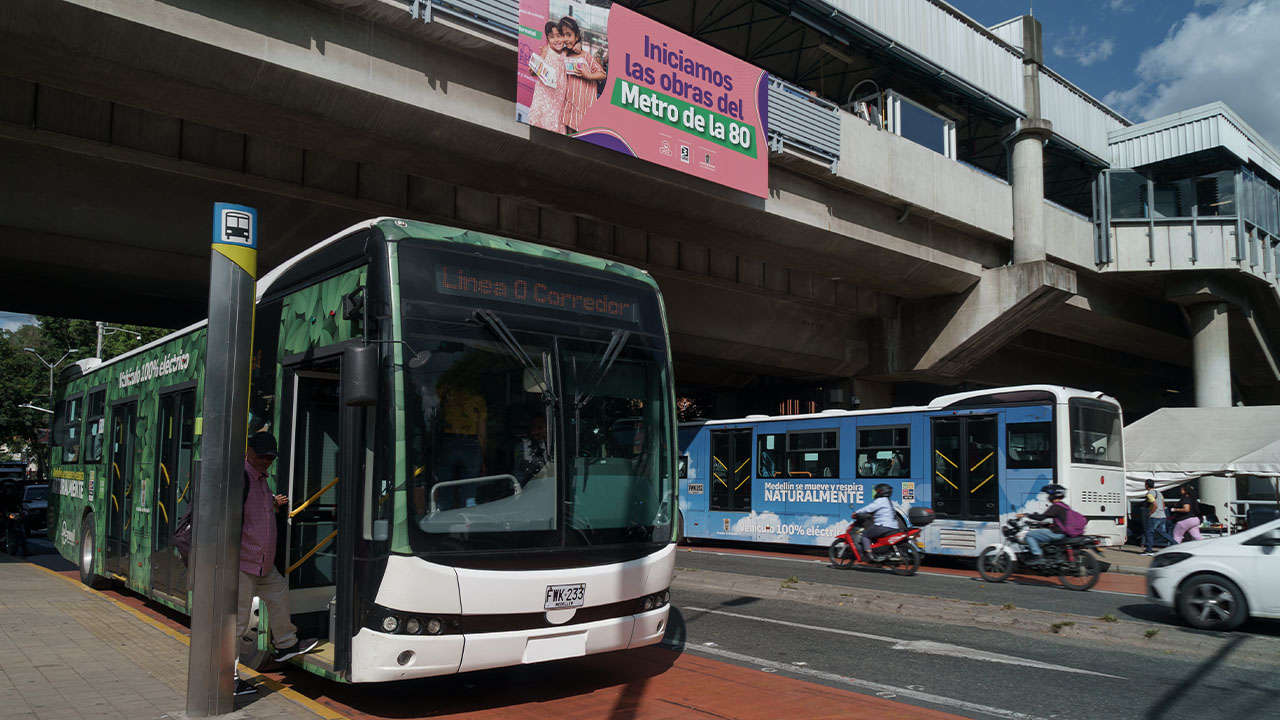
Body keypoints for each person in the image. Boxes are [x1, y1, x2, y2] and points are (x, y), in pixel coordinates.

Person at [235, 432, 316, 697]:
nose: (265, 461)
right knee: (235, 623)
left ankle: (286, 644)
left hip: (262, 563)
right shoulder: (242, 477)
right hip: (243, 563)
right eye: (261, 456)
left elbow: (256, 510)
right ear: (249, 451)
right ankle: (229, 678)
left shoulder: (261, 481)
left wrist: (273, 504)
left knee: (279, 590)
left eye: (270, 457)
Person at [558, 17, 606, 133]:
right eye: (563, 35)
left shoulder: (586, 56)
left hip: (584, 107)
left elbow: (602, 74)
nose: (566, 39)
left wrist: (588, 76)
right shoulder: (564, 55)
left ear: (577, 36)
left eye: (569, 35)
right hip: (569, 106)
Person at [1017, 483, 1075, 566]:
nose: (1048, 497)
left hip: (1057, 533)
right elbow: (1061, 520)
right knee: (1042, 533)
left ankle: (1038, 556)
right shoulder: (1065, 506)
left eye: (1049, 494)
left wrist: (1025, 515)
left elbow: (1041, 517)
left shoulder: (1055, 507)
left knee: (1029, 535)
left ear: (1053, 495)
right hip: (1063, 532)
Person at [526, 21, 567, 133]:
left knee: (555, 124)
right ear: (548, 39)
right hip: (544, 95)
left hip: (558, 96)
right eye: (552, 37)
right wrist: (535, 67)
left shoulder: (565, 55)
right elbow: (533, 71)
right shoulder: (546, 50)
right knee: (541, 121)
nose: (556, 40)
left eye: (559, 36)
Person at [853, 483, 898, 560]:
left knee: (865, 535)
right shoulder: (890, 501)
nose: (876, 493)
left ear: (881, 492)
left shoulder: (880, 500)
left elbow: (869, 508)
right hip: (894, 527)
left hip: (883, 526)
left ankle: (869, 554)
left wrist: (856, 512)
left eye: (877, 491)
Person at [1141, 479, 1174, 555]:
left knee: (1149, 532)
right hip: (1162, 515)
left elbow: (1155, 504)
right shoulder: (1159, 493)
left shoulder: (1149, 494)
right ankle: (1175, 543)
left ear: (1146, 485)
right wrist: (1162, 512)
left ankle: (1149, 550)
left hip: (1154, 516)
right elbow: (1163, 503)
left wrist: (1150, 513)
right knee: (1162, 532)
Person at [0, 480, 28, 557]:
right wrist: (2, 513)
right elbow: (2, 506)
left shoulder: (16, 497)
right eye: (8, 489)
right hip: (4, 517)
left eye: (11, 489)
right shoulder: (2, 496)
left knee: (21, 531)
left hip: (14, 516)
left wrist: (22, 512)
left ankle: (25, 550)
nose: (10, 491)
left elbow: (20, 505)